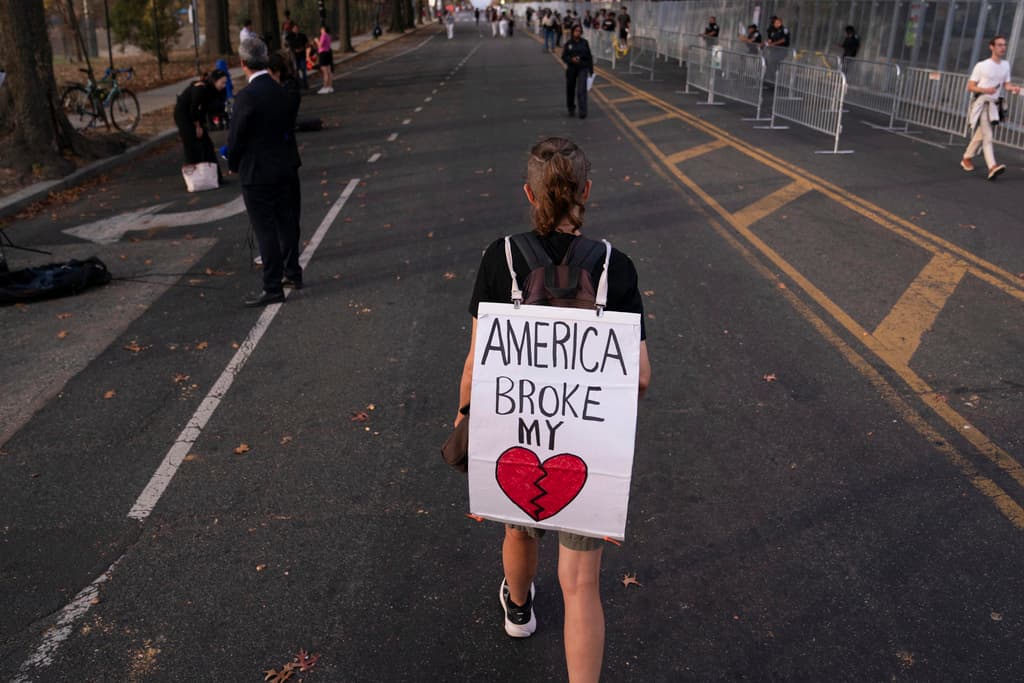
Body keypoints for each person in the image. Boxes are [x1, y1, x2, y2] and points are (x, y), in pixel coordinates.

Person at [457, 136, 651, 683]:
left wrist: (463, 415)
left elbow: (477, 359)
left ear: (529, 194)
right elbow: (639, 373)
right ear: (586, 192)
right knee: (582, 584)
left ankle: (518, 607)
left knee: (518, 529)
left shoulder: (500, 258)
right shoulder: (617, 266)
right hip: (587, 443)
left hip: (515, 427)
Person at [228, 38, 303, 307]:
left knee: (265, 230)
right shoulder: (281, 90)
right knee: (287, 223)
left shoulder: (246, 97)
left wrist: (233, 160)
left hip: (257, 172)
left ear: (243, 64)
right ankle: (292, 271)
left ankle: (272, 286)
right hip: (284, 165)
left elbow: (236, 137)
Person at [961, 35, 1021, 180]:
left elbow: (1006, 85)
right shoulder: (981, 65)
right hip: (981, 103)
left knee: (981, 133)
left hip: (994, 105)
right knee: (987, 135)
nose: (1003, 48)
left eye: (1004, 45)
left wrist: (1014, 88)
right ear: (991, 47)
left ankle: (967, 158)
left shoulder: (1006, 65)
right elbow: (970, 86)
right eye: (999, 45)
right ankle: (992, 166)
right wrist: (985, 90)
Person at [173, 69, 228, 183]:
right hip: (184, 116)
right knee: (191, 144)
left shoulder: (213, 91)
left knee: (207, 144)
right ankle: (194, 179)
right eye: (222, 83)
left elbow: (206, 110)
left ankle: (214, 176)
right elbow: (194, 109)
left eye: (225, 82)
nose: (224, 85)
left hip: (195, 116)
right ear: (214, 81)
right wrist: (198, 126)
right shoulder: (201, 89)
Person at [563, 25, 592, 119]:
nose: (577, 32)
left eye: (579, 31)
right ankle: (571, 108)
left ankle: (582, 111)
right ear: (572, 32)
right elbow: (564, 56)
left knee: (581, 90)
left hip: (582, 68)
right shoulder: (568, 44)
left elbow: (589, 56)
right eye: (576, 31)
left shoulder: (584, 42)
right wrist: (571, 60)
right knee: (570, 89)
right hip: (571, 68)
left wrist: (591, 71)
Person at [286, 24, 309, 90]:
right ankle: (299, 85)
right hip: (294, 57)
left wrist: (302, 48)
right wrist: (293, 50)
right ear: (292, 29)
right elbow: (287, 44)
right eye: (294, 28)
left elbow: (307, 44)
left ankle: (306, 85)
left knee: (304, 71)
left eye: (297, 28)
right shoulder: (289, 36)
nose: (296, 29)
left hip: (302, 56)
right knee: (296, 72)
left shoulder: (303, 36)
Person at [317, 25, 334, 94]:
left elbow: (320, 45)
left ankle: (325, 87)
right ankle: (330, 87)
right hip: (328, 53)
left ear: (323, 29)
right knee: (329, 71)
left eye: (321, 29)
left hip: (323, 54)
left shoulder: (323, 35)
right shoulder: (329, 36)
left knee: (325, 71)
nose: (320, 30)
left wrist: (316, 41)